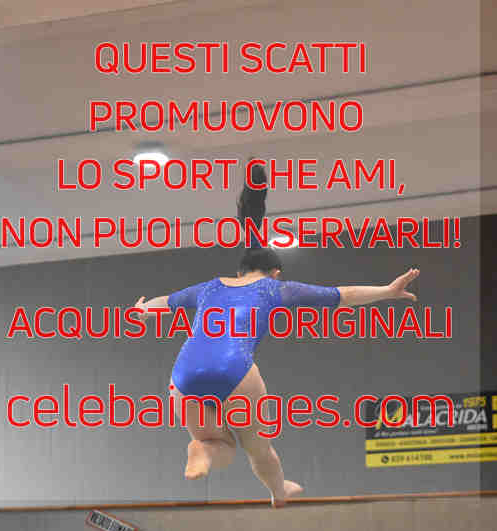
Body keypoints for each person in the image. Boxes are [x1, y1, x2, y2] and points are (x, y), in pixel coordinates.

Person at [135, 165, 419, 507]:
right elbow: (342, 294)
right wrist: (387, 291)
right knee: (258, 448)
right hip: (234, 368)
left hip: (184, 372)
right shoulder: (275, 288)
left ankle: (201, 450)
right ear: (275, 272)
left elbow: (164, 302)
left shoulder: (209, 287)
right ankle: (278, 493)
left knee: (215, 443)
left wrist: (143, 308)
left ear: (239, 271)